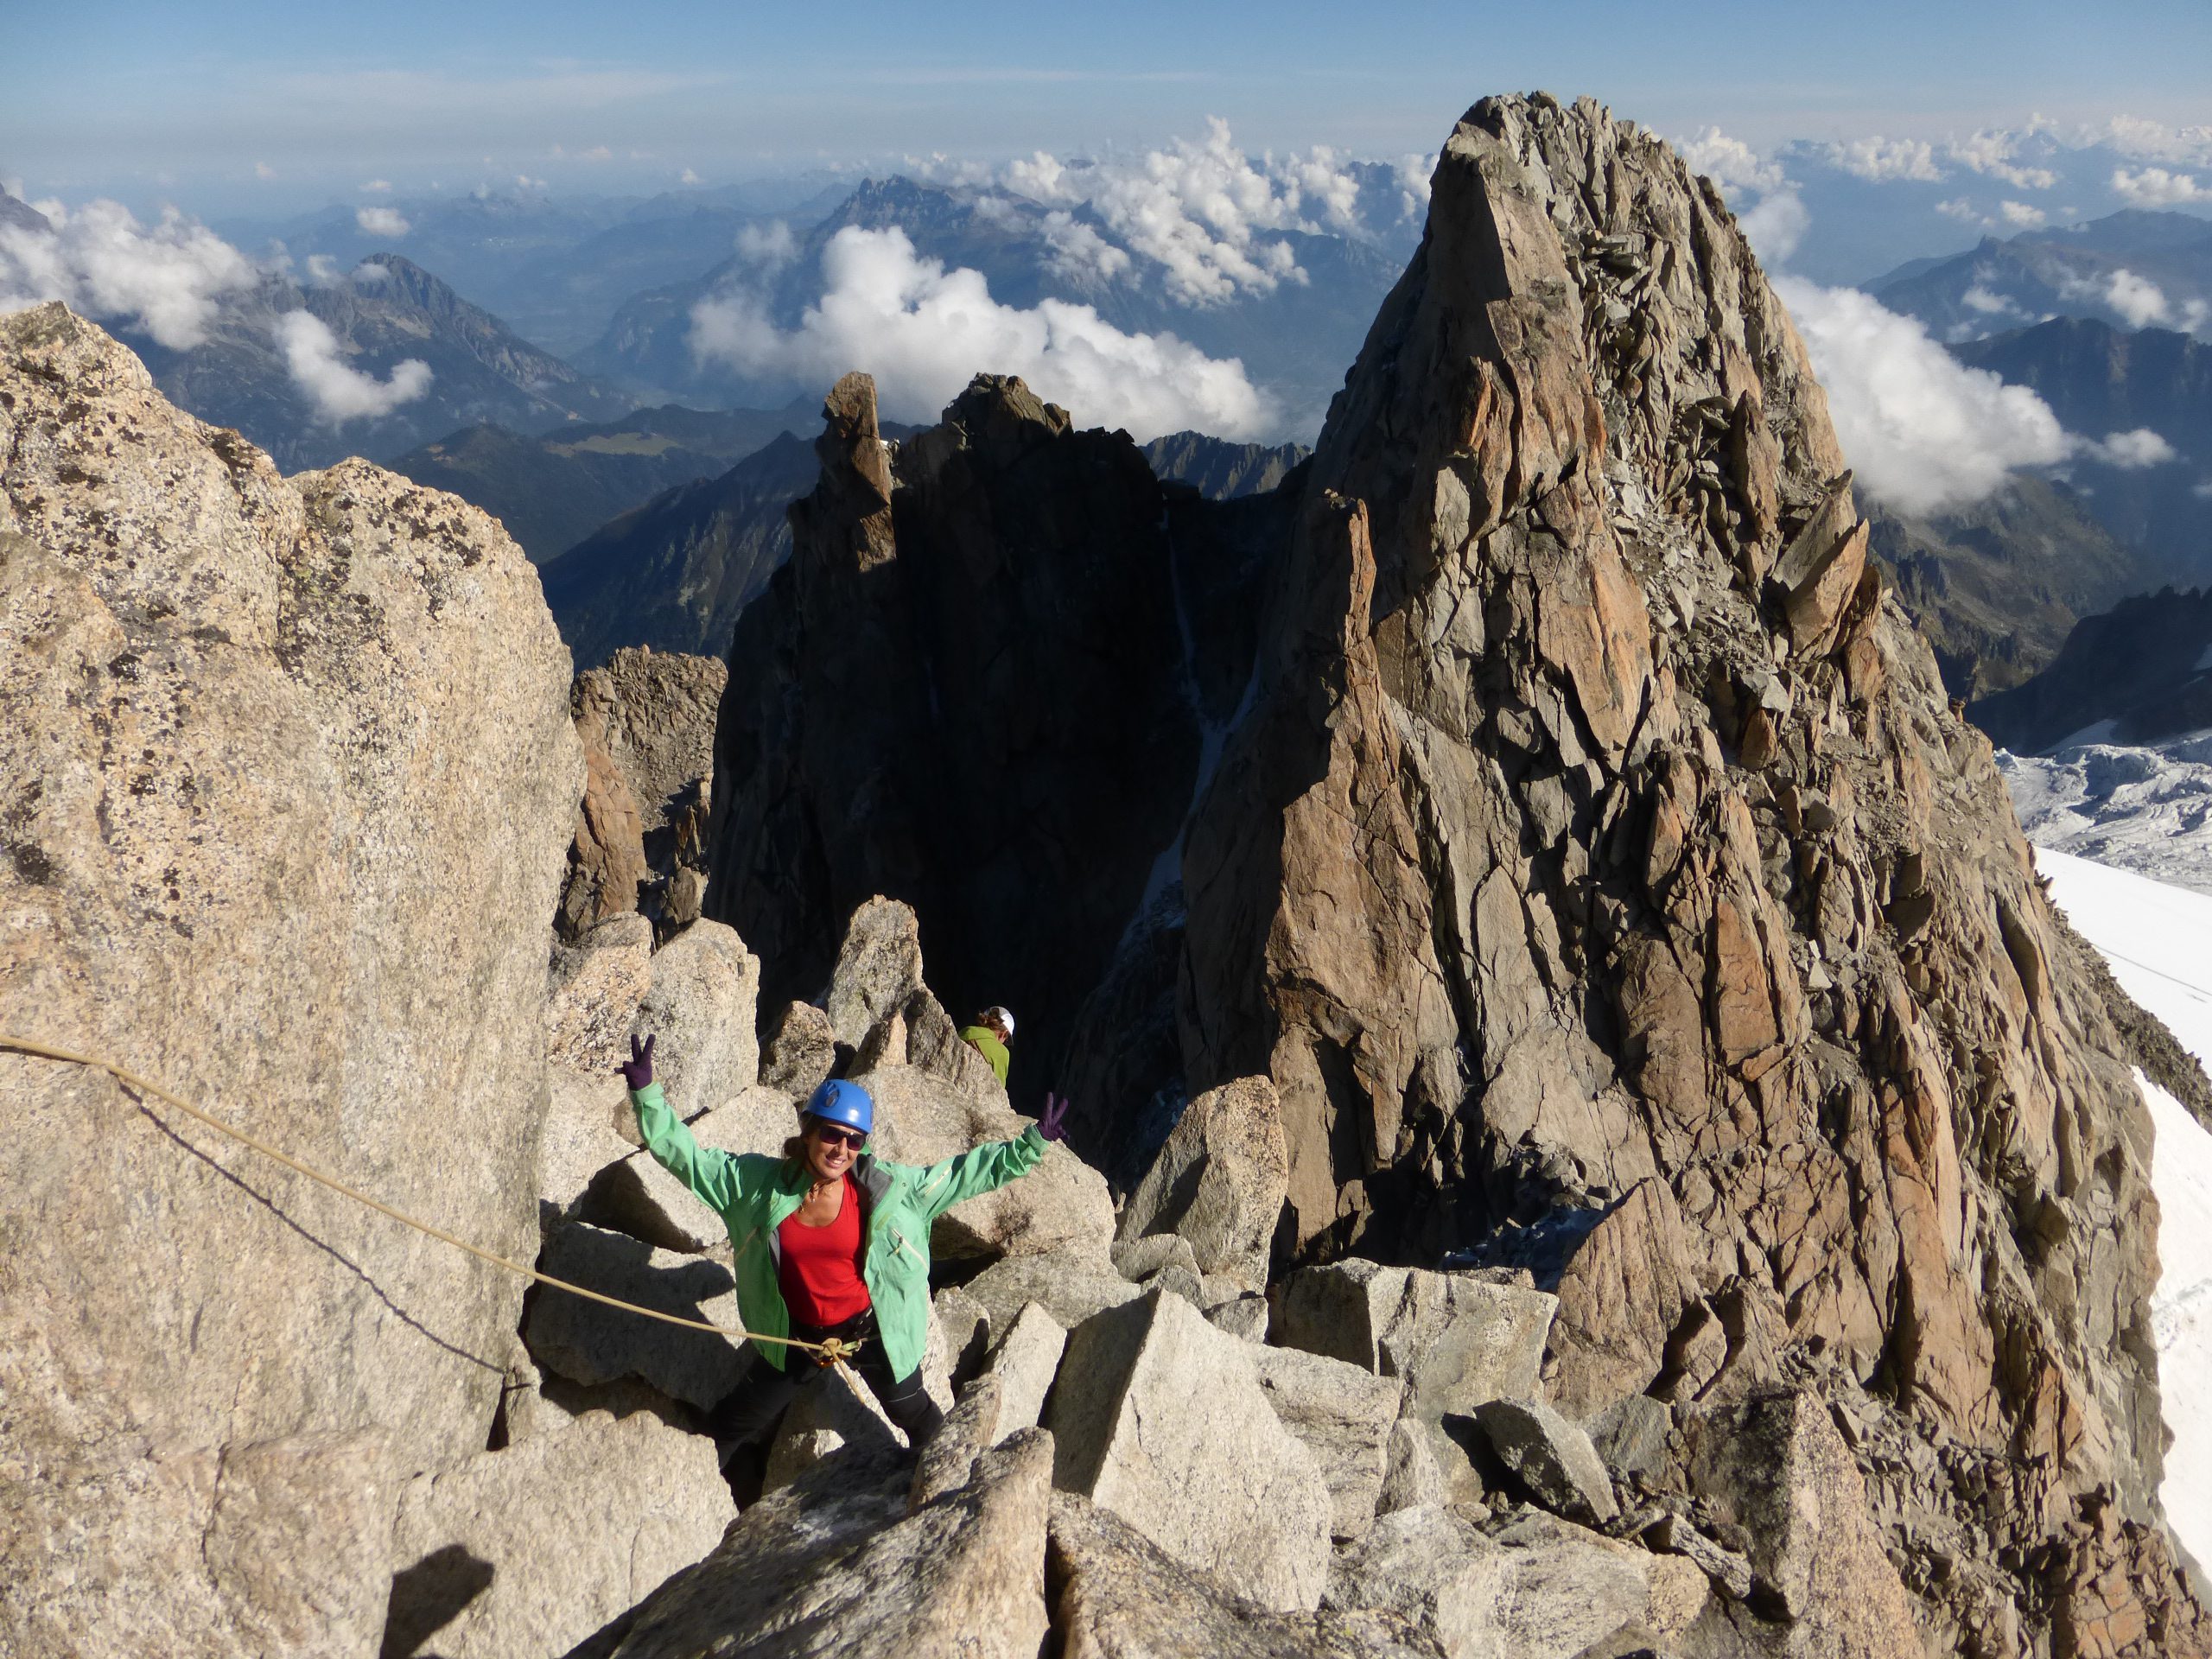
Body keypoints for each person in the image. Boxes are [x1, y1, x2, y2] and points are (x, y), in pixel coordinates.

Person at [615, 1033, 1067, 1470]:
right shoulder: (755, 1186)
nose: (843, 1149)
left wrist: (1030, 1146)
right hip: (795, 1337)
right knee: (731, 1426)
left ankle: (954, 1487)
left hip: (870, 1330)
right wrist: (647, 1095)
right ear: (809, 1131)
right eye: (833, 1134)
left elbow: (963, 1174)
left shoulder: (890, 1190)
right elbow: (689, 1160)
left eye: (855, 1140)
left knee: (917, 1416)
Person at [957, 1006, 1015, 1086]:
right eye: (1007, 1039)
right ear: (1004, 1033)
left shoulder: (966, 1031)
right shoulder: (1002, 1053)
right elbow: (999, 1089)